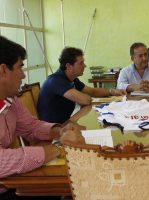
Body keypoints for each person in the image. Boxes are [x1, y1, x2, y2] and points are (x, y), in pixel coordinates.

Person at [0, 36, 85, 199]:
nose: (23, 76)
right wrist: (57, 149)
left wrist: (60, 132)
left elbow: (30, 126)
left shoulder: (11, 99)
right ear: (3, 70)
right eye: (20, 67)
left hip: (12, 181)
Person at [38, 47, 126, 124]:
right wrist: (84, 98)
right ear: (69, 66)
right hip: (53, 130)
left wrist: (112, 91)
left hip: (66, 122)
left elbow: (92, 91)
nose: (85, 66)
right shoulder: (56, 81)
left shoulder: (72, 79)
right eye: (81, 63)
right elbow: (86, 100)